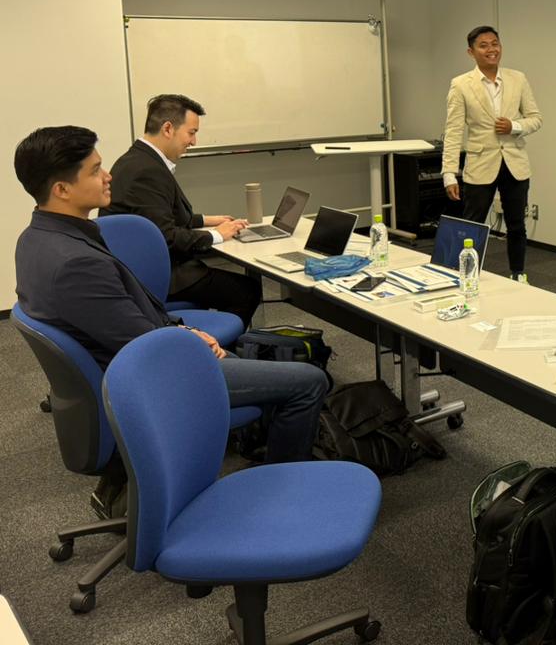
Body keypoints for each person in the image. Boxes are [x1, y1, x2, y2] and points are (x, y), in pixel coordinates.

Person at [13, 126, 327, 472]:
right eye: (95, 170)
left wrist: (186, 331)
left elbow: (121, 322)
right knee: (308, 381)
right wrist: (189, 340)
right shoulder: (77, 264)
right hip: (150, 381)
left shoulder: (35, 238)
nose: (108, 176)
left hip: (127, 364)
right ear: (62, 189)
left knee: (245, 359)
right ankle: (283, 482)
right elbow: (142, 343)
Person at [101, 93, 259, 327]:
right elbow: (166, 236)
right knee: (246, 290)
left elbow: (156, 216)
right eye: (191, 133)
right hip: (160, 276)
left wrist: (206, 220)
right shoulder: (147, 171)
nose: (194, 142)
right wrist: (216, 235)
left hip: (139, 269)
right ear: (168, 129)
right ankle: (212, 347)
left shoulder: (137, 159)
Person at [442, 26, 542, 281]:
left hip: (514, 163)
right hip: (480, 163)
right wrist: (449, 174)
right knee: (472, 225)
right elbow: (453, 131)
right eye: (483, 45)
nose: (491, 49)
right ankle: (466, 277)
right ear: (471, 52)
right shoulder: (461, 85)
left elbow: (535, 118)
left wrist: (514, 126)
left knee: (517, 225)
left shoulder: (518, 79)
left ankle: (518, 274)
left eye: (495, 43)